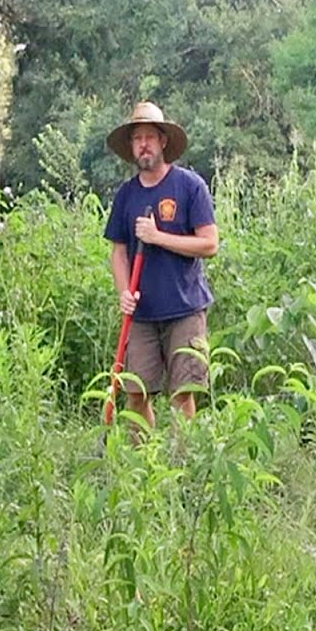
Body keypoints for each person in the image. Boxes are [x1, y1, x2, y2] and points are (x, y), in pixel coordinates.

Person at [103, 101, 219, 428]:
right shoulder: (126, 195)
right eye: (137, 138)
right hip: (141, 315)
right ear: (131, 146)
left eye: (149, 137)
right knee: (136, 394)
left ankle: (185, 458)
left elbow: (209, 244)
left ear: (163, 141)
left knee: (183, 394)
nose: (144, 145)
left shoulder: (190, 187)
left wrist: (158, 237)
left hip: (184, 309)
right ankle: (144, 457)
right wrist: (124, 292)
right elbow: (119, 252)